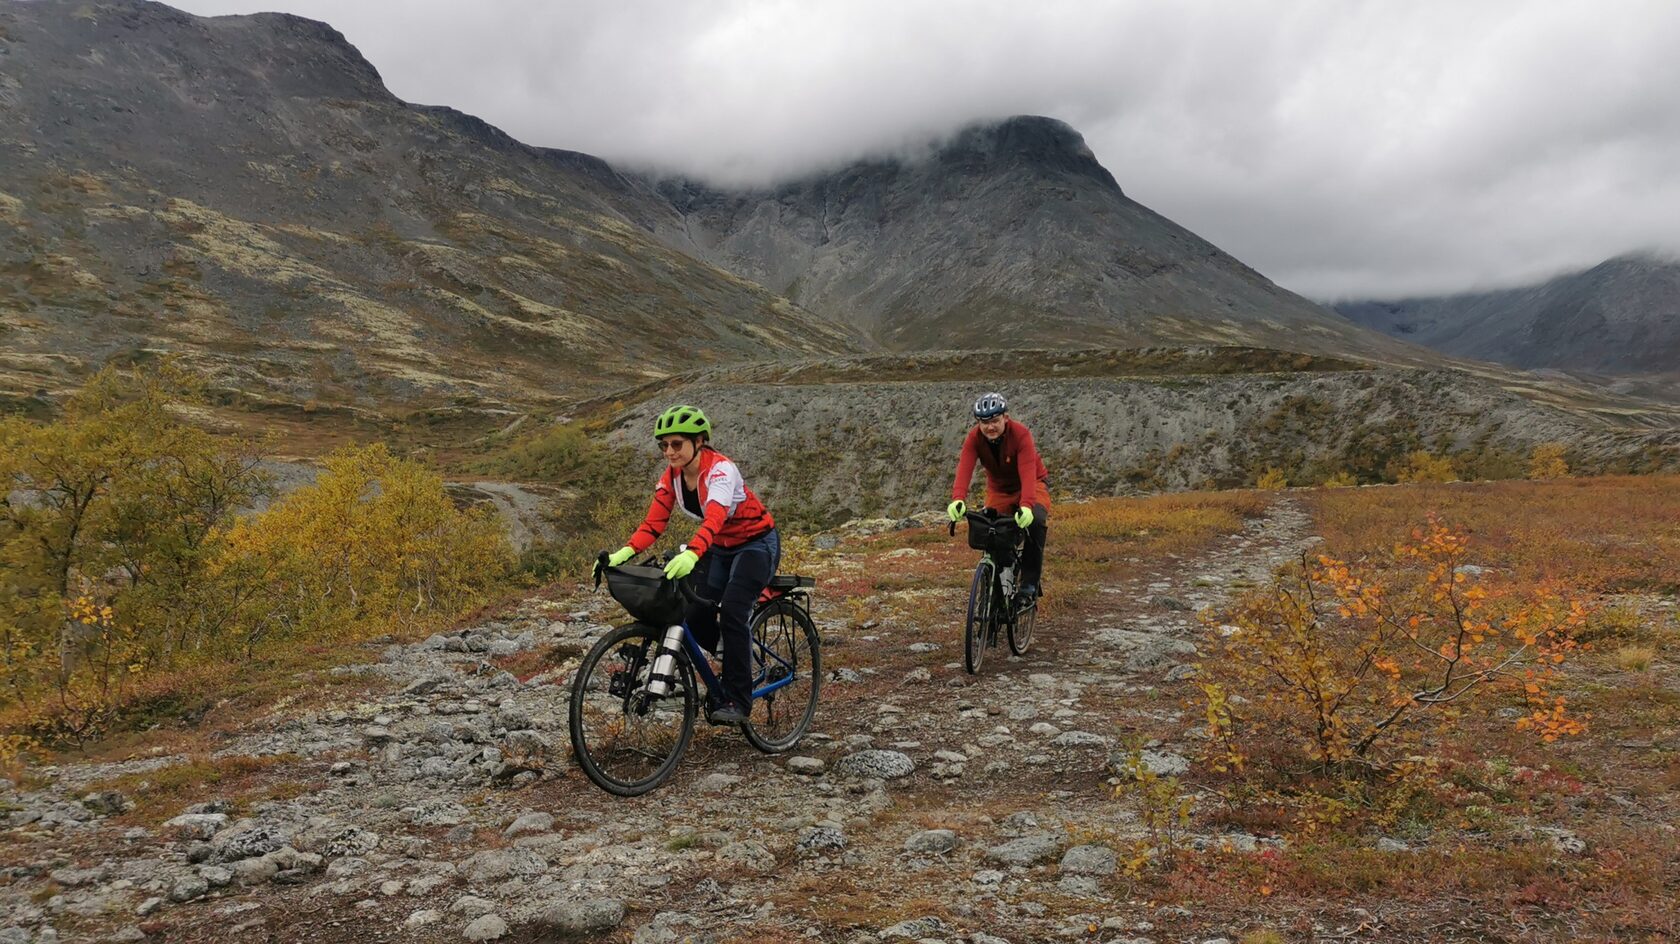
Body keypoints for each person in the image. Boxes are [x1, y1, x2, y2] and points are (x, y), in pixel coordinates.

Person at [594, 405, 778, 725]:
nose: (669, 451)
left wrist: (692, 552)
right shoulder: (672, 477)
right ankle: (733, 653)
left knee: (734, 610)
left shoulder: (721, 470)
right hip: (719, 547)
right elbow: (653, 524)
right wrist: (623, 554)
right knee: (693, 612)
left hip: (756, 544)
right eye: (663, 445)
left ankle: (738, 699)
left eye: (677, 444)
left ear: (699, 441)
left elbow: (716, 516)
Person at [946, 392, 1049, 598]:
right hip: (999, 489)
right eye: (984, 422)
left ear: (1005, 418)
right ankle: (999, 578)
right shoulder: (974, 438)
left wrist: (1027, 505)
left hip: (1030, 485)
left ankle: (1029, 582)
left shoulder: (1021, 435)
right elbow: (964, 468)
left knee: (1036, 521)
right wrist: (958, 499)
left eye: (995, 420)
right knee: (992, 529)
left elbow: (1028, 472)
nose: (990, 426)